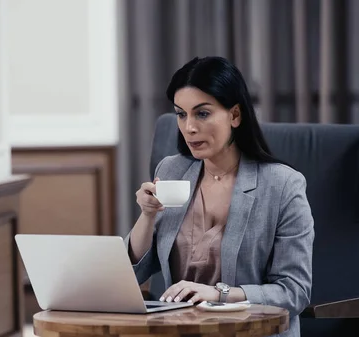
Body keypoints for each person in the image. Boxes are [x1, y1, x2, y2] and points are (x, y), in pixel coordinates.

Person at [124, 56, 314, 337]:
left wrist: (218, 294)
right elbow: (134, 272)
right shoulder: (172, 169)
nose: (189, 127)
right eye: (181, 114)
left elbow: (294, 292)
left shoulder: (283, 185)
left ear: (235, 115)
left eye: (202, 113)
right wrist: (148, 215)